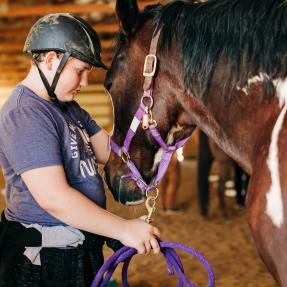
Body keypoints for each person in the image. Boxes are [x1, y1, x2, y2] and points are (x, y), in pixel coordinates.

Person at [0, 13, 160, 287]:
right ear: (51, 60)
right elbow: (54, 198)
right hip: (43, 259)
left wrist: (145, 125)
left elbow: (110, 152)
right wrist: (122, 228)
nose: (85, 82)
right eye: (80, 71)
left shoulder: (69, 109)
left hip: (79, 245)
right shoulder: (25, 112)